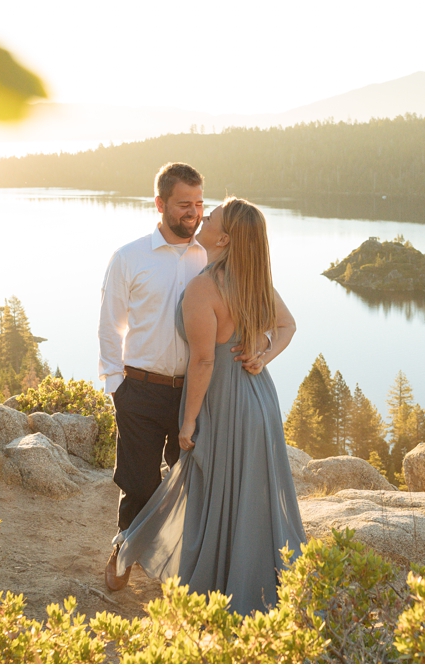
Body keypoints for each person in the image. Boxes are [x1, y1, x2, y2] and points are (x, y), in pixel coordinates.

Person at [113, 197, 306, 616]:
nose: (206, 214)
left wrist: (188, 422)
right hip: (260, 402)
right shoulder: (252, 281)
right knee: (246, 498)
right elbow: (288, 326)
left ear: (224, 237)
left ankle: (211, 586)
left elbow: (203, 361)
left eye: (213, 214)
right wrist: (264, 354)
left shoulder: (205, 288)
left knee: (212, 492)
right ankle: (256, 586)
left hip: (224, 405)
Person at [98, 163, 263, 591]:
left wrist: (259, 347)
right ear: (160, 204)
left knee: (191, 483)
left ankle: (180, 571)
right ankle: (125, 550)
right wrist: (116, 384)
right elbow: (109, 326)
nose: (193, 213)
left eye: (199, 205)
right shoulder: (128, 257)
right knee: (138, 481)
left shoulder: (213, 254)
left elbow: (251, 304)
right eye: (184, 205)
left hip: (197, 393)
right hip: (140, 388)